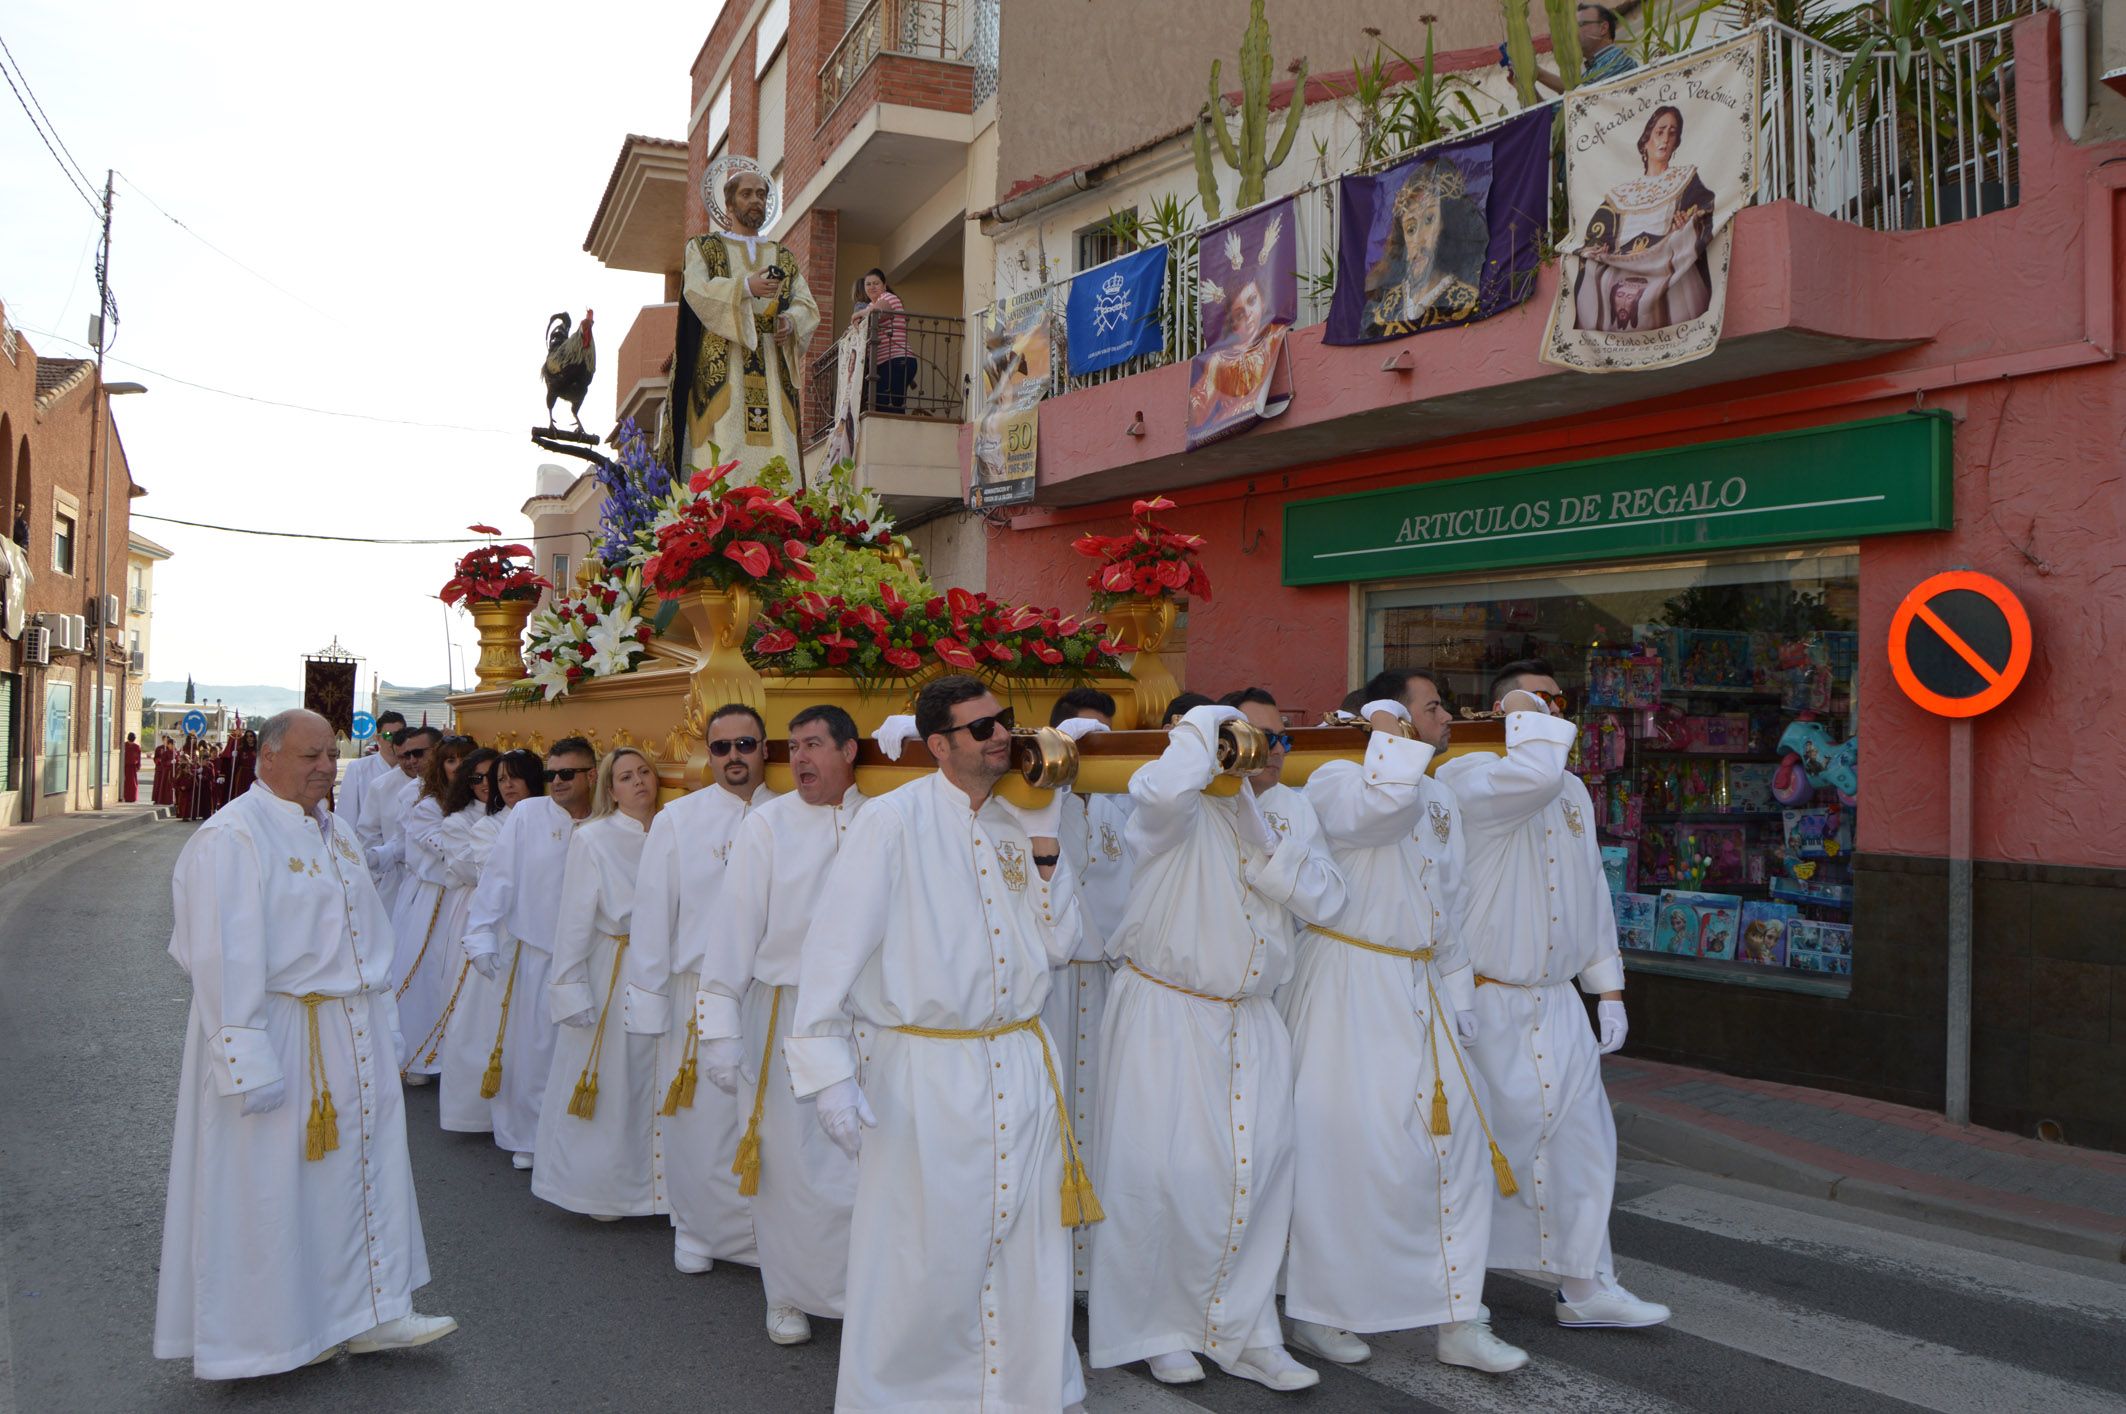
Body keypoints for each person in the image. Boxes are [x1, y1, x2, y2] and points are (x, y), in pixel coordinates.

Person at [789, 676, 1093, 1414]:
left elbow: (1060, 945)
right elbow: (831, 951)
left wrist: (1049, 846)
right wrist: (829, 1076)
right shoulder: (891, 822)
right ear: (940, 745)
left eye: (1004, 722)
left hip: (1017, 1061)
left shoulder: (1018, 825)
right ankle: (906, 1398)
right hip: (924, 1070)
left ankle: (1022, 1392)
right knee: (923, 1251)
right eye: (981, 726)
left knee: (1020, 1238)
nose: (1000, 735)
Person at [154, 709, 454, 1378]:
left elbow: (368, 931)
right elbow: (219, 955)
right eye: (309, 755)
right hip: (281, 1034)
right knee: (271, 1190)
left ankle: (374, 1311)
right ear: (266, 760)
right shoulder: (232, 838)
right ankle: (267, 1338)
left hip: (353, 1029)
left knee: (363, 1173)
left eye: (330, 754)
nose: (325, 766)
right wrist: (245, 1060)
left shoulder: (338, 832)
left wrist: (387, 1022)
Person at [1089, 691, 1345, 1391]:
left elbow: (1327, 898)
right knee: (1161, 1174)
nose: (1269, 752)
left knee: (1257, 1170)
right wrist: (1204, 730)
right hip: (1167, 1012)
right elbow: (1163, 788)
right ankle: (1158, 1326)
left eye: (1278, 739)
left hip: (1253, 1016)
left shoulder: (1289, 811)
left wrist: (1264, 836)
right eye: (1251, 737)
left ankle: (1246, 1328)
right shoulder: (1173, 808)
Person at [1285, 668, 1530, 1373]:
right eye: (1430, 706)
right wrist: (1381, 733)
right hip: (1349, 986)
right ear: (1385, 720)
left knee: (1453, 1157)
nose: (1448, 715)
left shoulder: (1439, 792)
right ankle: (1319, 1311)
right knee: (1350, 1155)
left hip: (1422, 984)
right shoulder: (1334, 777)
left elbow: (1449, 899)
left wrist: (1460, 996)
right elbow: (1379, 813)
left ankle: (1458, 1319)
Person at [1436, 660, 1671, 1332]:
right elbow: (1530, 774)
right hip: (1483, 1004)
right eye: (1532, 702)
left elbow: (1590, 890)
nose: (1547, 712)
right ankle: (1447, 1295)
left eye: (1556, 701)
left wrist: (1608, 988)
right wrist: (1521, 711)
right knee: (1478, 1153)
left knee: (1584, 1142)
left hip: (1556, 1001)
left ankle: (1585, 1284)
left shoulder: (1570, 791)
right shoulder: (1469, 776)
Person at [701, 704, 863, 1343]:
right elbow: (732, 930)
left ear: (848, 751)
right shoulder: (768, 826)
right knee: (790, 1164)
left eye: (815, 744)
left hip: (866, 1015)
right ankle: (788, 1292)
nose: (800, 758)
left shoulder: (882, 819)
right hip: (787, 1010)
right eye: (793, 746)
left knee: (860, 1164)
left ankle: (862, 1289)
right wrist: (719, 1030)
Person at [622, 705, 772, 1277]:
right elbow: (653, 916)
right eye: (721, 747)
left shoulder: (790, 816)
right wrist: (651, 1004)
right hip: (698, 994)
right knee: (700, 1122)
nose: (734, 756)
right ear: (708, 755)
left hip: (768, 994)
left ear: (763, 749)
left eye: (746, 744)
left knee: (762, 1122)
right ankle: (697, 1229)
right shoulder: (679, 820)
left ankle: (766, 1235)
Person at [534, 747, 662, 1219]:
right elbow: (574, 919)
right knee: (613, 1080)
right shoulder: (594, 838)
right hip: (616, 964)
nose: (639, 782)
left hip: (665, 966)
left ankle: (658, 1189)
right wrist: (568, 986)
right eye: (626, 777)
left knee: (657, 1076)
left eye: (644, 772)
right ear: (610, 789)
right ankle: (602, 1189)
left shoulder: (673, 830)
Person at [462, 741, 594, 1169]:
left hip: (593, 957)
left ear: (592, 775)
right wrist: (480, 935)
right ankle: (530, 1137)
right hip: (538, 953)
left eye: (566, 774)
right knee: (534, 1054)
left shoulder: (611, 815)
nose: (556, 782)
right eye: (551, 773)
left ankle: (575, 1140)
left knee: (582, 1055)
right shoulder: (528, 815)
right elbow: (499, 878)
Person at [1043, 690, 1132, 1293]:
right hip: (1045, 985)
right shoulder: (1034, 802)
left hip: (1103, 980)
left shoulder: (1122, 803)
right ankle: (1045, 1269)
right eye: (1084, 740)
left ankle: (1094, 1271)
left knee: (1100, 1120)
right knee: (1046, 1123)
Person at [674, 158, 821, 481]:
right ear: (728, 203)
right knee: (725, 452)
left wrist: (790, 323)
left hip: (771, 367)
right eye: (747, 194)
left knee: (778, 456)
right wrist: (744, 287)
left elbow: (806, 304)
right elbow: (697, 291)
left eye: (761, 194)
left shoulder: (783, 256)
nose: (756, 200)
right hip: (726, 368)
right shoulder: (704, 248)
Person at [1573, 104, 1714, 334]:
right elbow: (1596, 233)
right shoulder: (1622, 192)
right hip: (1625, 262)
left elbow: (1702, 210)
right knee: (1593, 269)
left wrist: (1686, 225)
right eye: (1659, 132)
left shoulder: (1685, 177)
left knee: (1681, 256)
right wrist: (1599, 248)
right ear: (1646, 140)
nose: (1665, 139)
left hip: (1665, 257)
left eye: (1672, 132)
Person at [426, 748, 506, 1130]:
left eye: (494, 776)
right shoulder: (458, 821)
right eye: (476, 779)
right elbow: (471, 870)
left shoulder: (517, 813)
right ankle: (471, 1105)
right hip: (473, 910)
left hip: (511, 912)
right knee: (472, 1006)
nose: (486, 786)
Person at [388, 735, 477, 1082]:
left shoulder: (482, 803)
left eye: (465, 760)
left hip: (466, 898)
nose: (457, 767)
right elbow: (446, 851)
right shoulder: (426, 805)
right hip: (433, 899)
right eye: (450, 760)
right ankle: (420, 1055)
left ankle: (454, 1057)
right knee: (425, 974)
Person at [1361, 160, 1487, 339]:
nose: (1419, 240)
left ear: (1449, 224)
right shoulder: (1384, 307)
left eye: (1429, 220)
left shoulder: (1466, 299)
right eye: (1410, 229)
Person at [359, 726, 436, 913]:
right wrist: (377, 867)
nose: (411, 761)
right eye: (403, 756)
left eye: (417, 754)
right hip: (396, 876)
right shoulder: (384, 786)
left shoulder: (452, 787)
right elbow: (370, 833)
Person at [1527, 3, 1640, 94]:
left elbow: (1580, 96)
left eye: (1579, 25)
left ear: (1603, 28)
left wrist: (1539, 73)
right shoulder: (1588, 74)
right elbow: (1558, 113)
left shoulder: (1619, 61)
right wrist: (1533, 78)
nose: (1573, 31)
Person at [852, 268, 917, 414]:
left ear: (884, 286)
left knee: (886, 406)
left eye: (876, 283)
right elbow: (866, 317)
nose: (872, 287)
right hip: (884, 363)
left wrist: (858, 314)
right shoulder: (870, 305)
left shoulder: (889, 298)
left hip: (898, 360)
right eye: (868, 284)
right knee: (885, 405)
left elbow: (877, 312)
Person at [338, 711, 407, 828]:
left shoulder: (412, 769)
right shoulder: (358, 768)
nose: (393, 740)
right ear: (378, 738)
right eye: (388, 735)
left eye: (399, 735)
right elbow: (347, 813)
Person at [153, 735, 176, 806]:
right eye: (165, 740)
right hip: (162, 770)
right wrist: (167, 762)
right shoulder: (159, 749)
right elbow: (157, 759)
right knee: (160, 786)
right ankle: (159, 799)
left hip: (172, 771)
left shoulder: (176, 752)